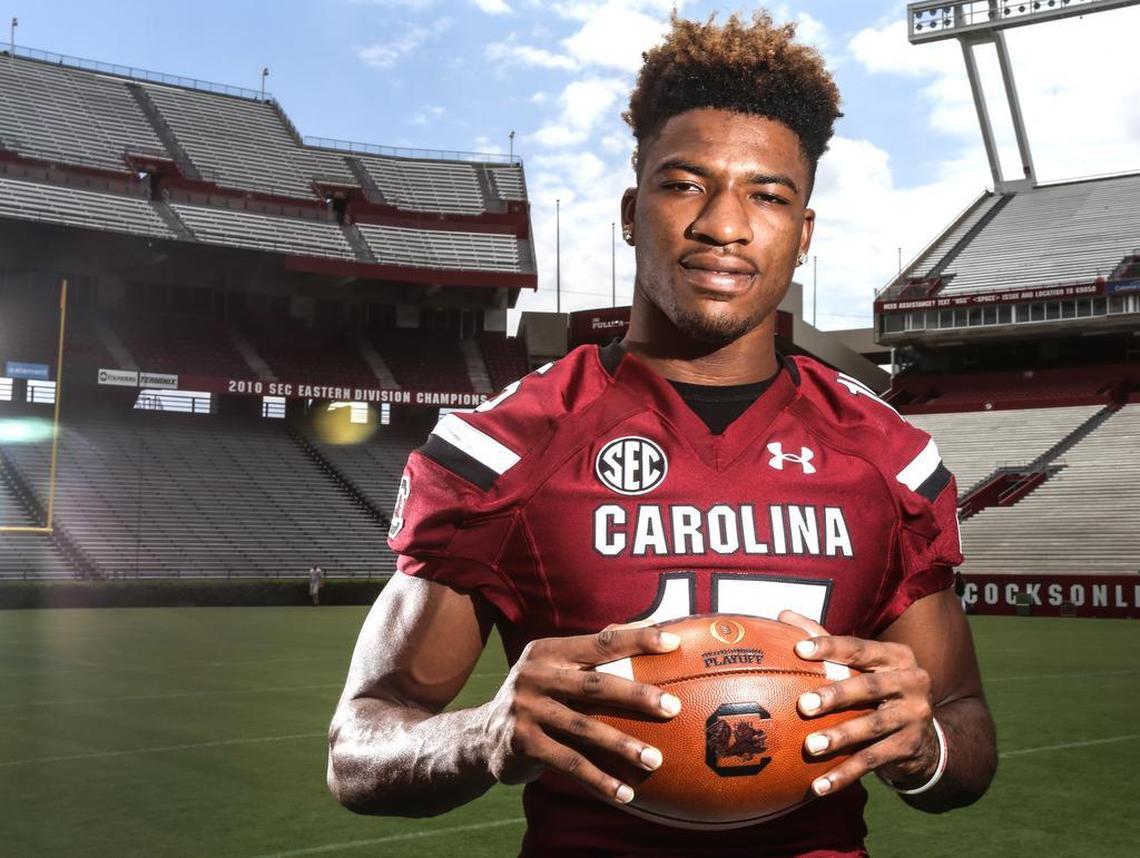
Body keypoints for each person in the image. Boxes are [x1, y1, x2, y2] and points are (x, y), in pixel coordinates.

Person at [328, 12, 996, 856]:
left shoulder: (886, 457)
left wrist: (924, 745)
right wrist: (480, 733)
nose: (724, 224)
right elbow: (358, 749)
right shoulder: (510, 446)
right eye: (684, 185)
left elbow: (966, 725)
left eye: (767, 195)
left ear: (804, 234)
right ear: (630, 210)